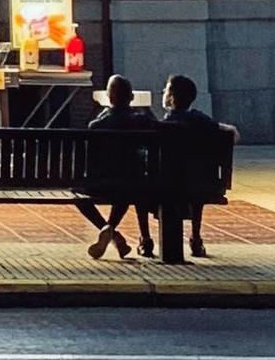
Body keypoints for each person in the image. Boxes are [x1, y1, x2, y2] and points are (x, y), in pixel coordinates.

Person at [85, 74, 155, 260]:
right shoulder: (142, 121)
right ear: (131, 97)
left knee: (77, 193)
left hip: (102, 183)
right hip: (134, 182)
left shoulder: (97, 125)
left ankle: (107, 229)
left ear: (108, 97)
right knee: (131, 184)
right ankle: (128, 234)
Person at [160, 72, 219, 259]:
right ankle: (195, 236)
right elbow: (219, 131)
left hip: (166, 182)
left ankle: (145, 239)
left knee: (149, 191)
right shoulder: (200, 120)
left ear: (171, 96)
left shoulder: (164, 123)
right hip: (199, 182)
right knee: (195, 188)